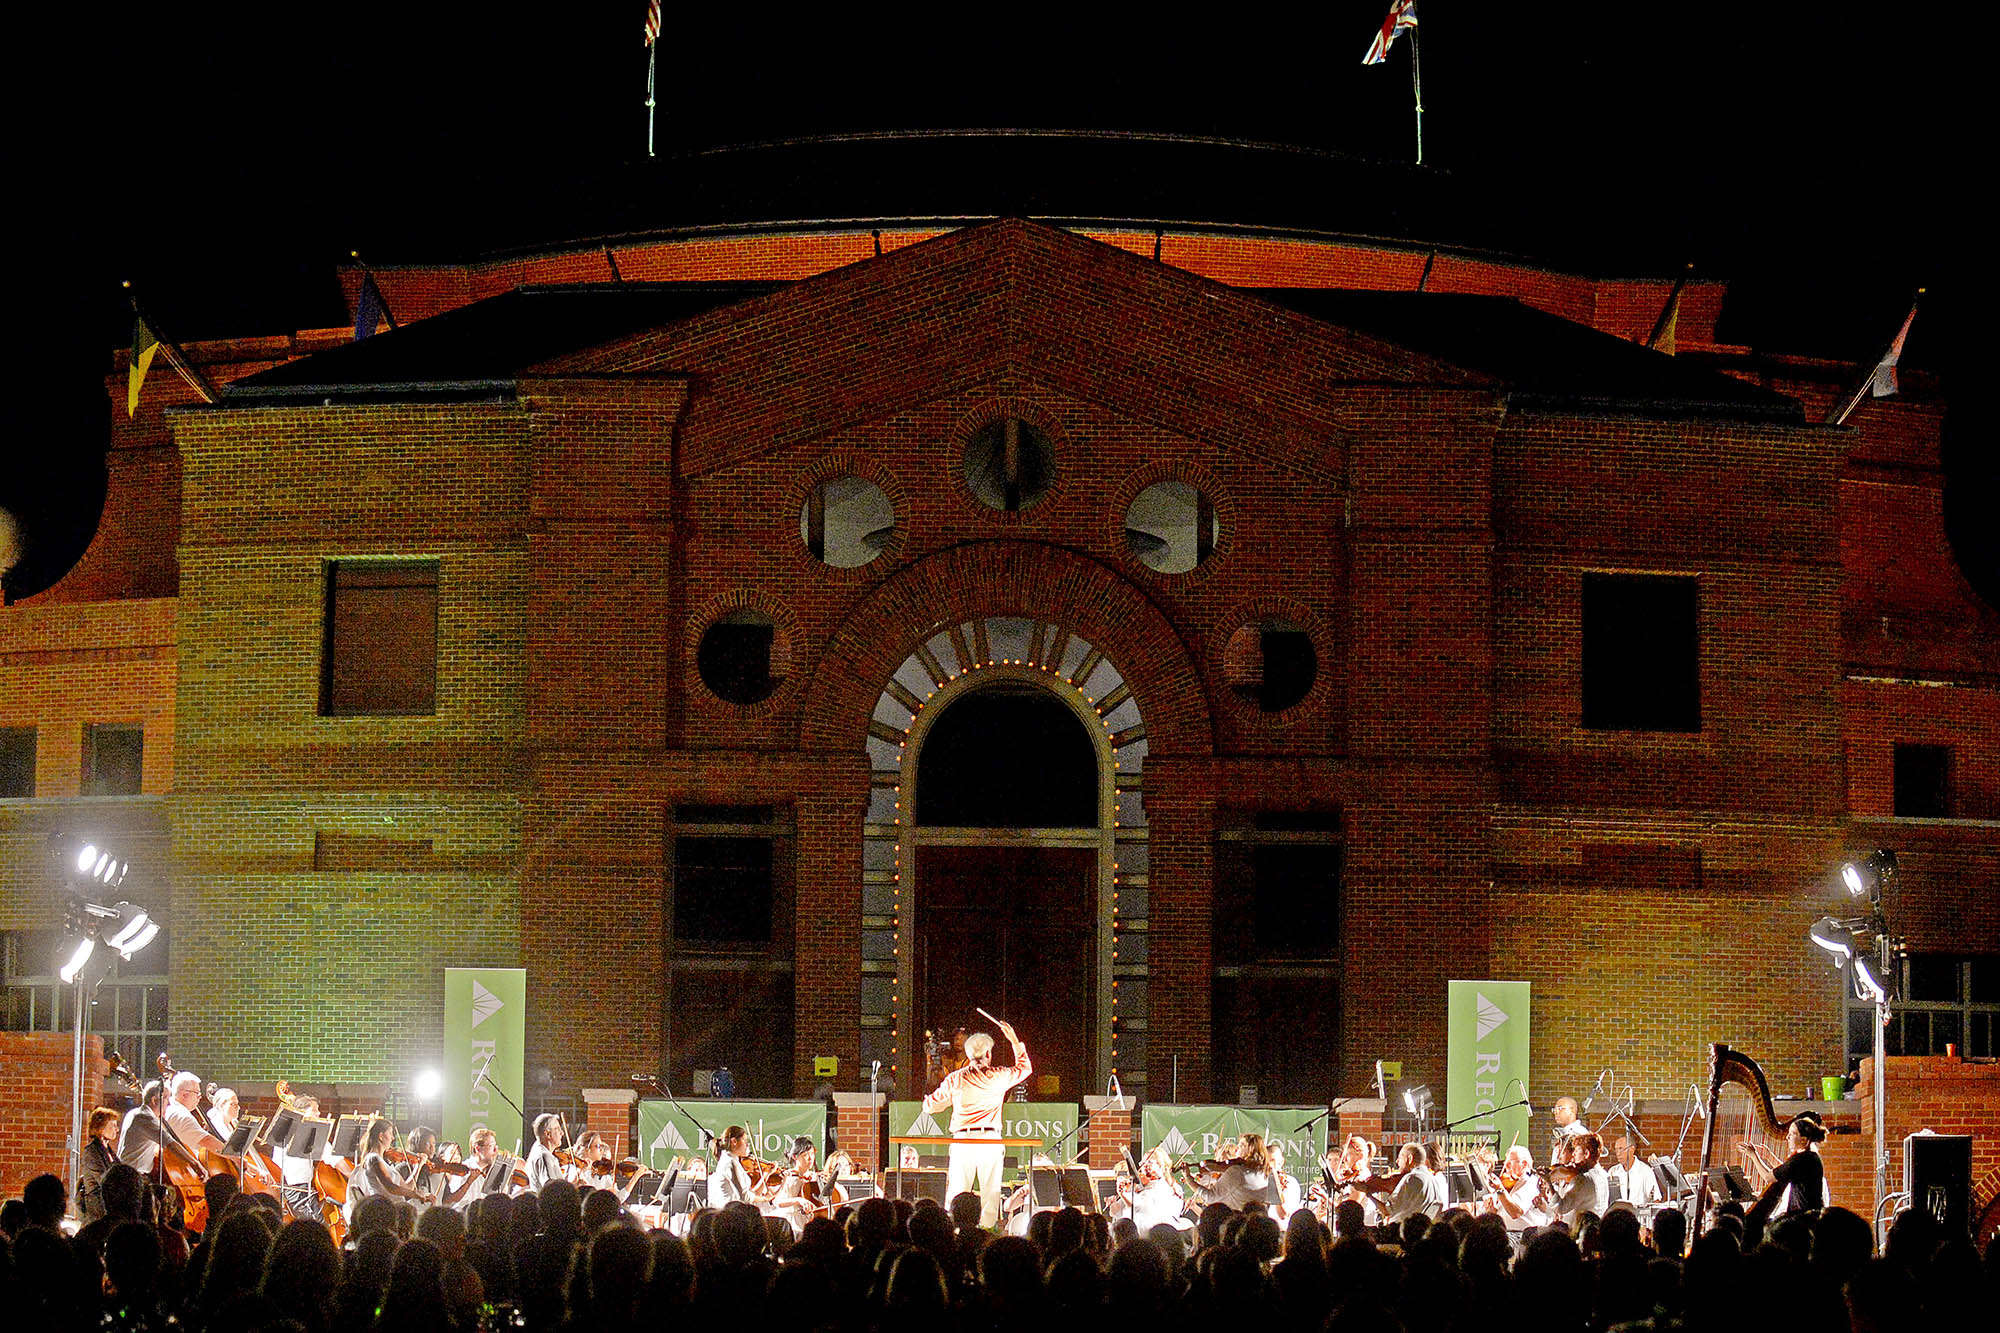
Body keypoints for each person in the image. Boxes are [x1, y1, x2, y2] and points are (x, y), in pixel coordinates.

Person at [918, 1015, 1031, 1227]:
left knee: (957, 1190)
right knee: (991, 1191)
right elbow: (1025, 1069)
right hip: (989, 1140)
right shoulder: (998, 1076)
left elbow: (931, 1106)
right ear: (988, 1054)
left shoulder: (956, 1078)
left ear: (969, 1055)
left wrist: (929, 1101)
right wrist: (1014, 1041)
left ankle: (954, 1230)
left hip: (963, 1140)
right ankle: (987, 1232)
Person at [345, 1117, 427, 1224]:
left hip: (396, 1209)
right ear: (381, 1136)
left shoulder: (383, 1162)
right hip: (387, 1211)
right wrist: (415, 1195)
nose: (393, 1138)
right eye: (390, 1133)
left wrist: (418, 1166)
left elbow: (407, 1187)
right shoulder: (373, 1158)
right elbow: (390, 1187)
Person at [1749, 1111, 1826, 1221]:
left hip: (1803, 1218)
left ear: (1804, 1140)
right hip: (1810, 1214)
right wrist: (1768, 1156)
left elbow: (1768, 1177)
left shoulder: (1801, 1159)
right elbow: (1787, 1170)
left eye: (1792, 1134)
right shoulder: (1809, 1156)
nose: (1787, 1137)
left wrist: (1753, 1155)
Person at [78, 1105, 122, 1221]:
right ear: (101, 1128)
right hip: (97, 1210)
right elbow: (103, 1179)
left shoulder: (109, 1151)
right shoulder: (91, 1151)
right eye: (113, 1126)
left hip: (109, 1205)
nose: (117, 1130)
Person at [118, 1080, 169, 1173]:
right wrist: (194, 1163)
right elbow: (170, 1144)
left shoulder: (134, 1113)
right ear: (154, 1100)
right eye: (166, 1098)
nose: (168, 1104)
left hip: (127, 1173)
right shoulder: (145, 1117)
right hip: (133, 1175)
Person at [1382, 1141, 1436, 1224]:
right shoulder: (1432, 1177)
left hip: (1405, 1230)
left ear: (1410, 1158)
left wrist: (1368, 1193)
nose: (1397, 1161)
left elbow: (1389, 1209)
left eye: (1400, 1157)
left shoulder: (1411, 1177)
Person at [707, 1124, 757, 1207]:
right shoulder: (730, 1162)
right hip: (731, 1214)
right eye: (745, 1141)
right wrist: (765, 1199)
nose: (747, 1145)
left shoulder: (731, 1159)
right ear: (734, 1141)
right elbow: (744, 1197)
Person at [1607, 1134, 1660, 1210]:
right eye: (1616, 1150)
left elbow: (1656, 1200)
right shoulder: (1613, 1171)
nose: (1618, 1153)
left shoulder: (1645, 1171)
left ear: (1632, 1149)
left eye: (1621, 1149)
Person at [524, 1113, 567, 1190]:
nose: (562, 1133)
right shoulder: (544, 1155)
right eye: (558, 1129)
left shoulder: (537, 1149)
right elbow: (551, 1189)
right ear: (548, 1134)